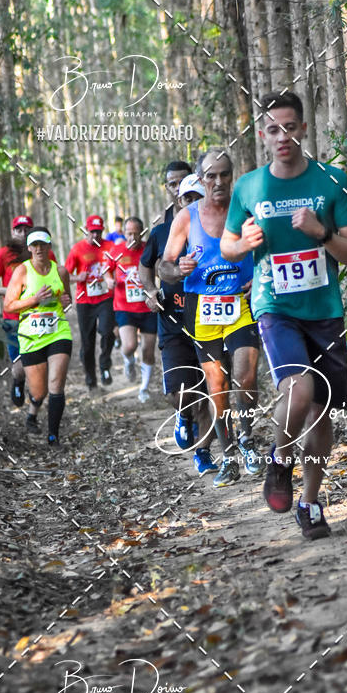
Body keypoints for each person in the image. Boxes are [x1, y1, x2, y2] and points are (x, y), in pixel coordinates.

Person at [221, 91, 347, 539]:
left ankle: (310, 503)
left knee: (322, 415)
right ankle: (280, 460)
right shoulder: (248, 187)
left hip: (324, 309)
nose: (282, 137)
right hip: (274, 305)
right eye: (272, 129)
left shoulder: (331, 181)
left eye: (289, 127)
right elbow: (228, 246)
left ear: (304, 129)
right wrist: (243, 243)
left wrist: (321, 232)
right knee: (298, 391)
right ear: (263, 136)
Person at [161, 148, 263, 488]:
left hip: (241, 301)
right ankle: (228, 453)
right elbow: (164, 264)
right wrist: (178, 269)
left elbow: (270, 247)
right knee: (217, 384)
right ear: (201, 180)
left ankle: (247, 439)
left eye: (223, 174)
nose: (218, 181)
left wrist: (260, 276)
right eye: (211, 176)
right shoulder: (186, 217)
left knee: (246, 374)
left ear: (231, 176)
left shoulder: (246, 207)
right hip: (201, 306)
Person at [139, 163, 216, 474]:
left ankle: (204, 453)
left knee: (211, 390)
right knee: (179, 394)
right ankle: (184, 415)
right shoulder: (160, 232)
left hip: (211, 319)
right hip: (173, 322)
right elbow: (148, 267)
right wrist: (151, 291)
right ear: (171, 190)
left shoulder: (217, 224)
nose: (179, 189)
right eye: (173, 184)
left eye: (186, 184)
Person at [3, 227, 72, 446]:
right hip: (31, 336)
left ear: (49, 246)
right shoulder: (22, 272)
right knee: (39, 392)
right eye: (35, 245)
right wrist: (34, 299)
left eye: (43, 244)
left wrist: (65, 302)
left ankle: (53, 435)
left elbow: (66, 298)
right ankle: (22, 385)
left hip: (57, 330)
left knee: (56, 384)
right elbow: (9, 305)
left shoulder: (60, 271)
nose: (39, 248)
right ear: (30, 248)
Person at [0, 215, 57, 407]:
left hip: (41, 316)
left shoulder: (46, 253)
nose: (23, 234)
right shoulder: (4, 254)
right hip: (13, 318)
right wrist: (10, 291)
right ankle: (18, 381)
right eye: (19, 230)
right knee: (19, 367)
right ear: (12, 232)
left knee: (41, 366)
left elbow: (55, 280)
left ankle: (34, 408)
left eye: (27, 230)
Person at [104, 217, 156, 403]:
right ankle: (129, 361)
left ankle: (144, 388)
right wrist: (109, 280)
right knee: (129, 346)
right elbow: (106, 269)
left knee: (148, 350)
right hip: (124, 306)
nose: (132, 237)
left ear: (142, 233)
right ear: (123, 233)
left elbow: (158, 269)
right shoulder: (117, 251)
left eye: (136, 233)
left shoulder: (148, 250)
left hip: (147, 306)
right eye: (129, 233)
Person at [65, 215, 114, 388]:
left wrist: (112, 278)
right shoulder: (77, 249)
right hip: (84, 300)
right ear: (86, 231)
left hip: (106, 298)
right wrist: (78, 277)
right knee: (87, 343)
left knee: (107, 332)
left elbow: (120, 267)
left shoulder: (110, 247)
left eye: (98, 232)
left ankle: (105, 365)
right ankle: (91, 378)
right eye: (92, 232)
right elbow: (64, 274)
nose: (95, 235)